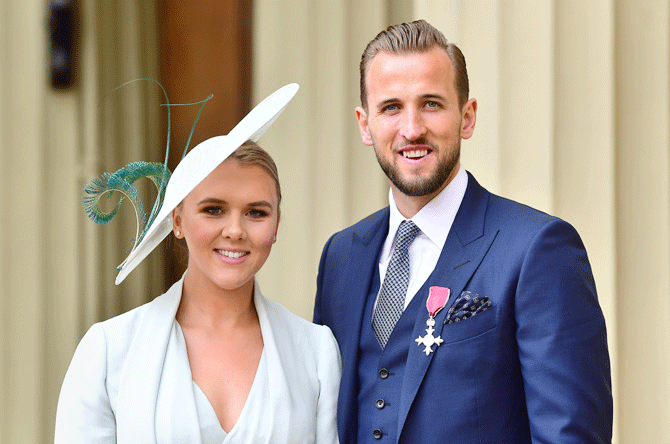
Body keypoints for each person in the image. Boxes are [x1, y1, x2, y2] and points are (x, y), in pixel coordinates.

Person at [313, 20, 612, 443]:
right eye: (391, 107)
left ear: (466, 117)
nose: (412, 128)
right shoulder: (341, 256)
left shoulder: (537, 250)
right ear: (365, 124)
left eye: (431, 104)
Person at [56, 84, 341, 443]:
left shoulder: (316, 352)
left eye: (256, 212)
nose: (235, 230)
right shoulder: (109, 351)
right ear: (176, 220)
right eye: (213, 210)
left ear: (277, 224)